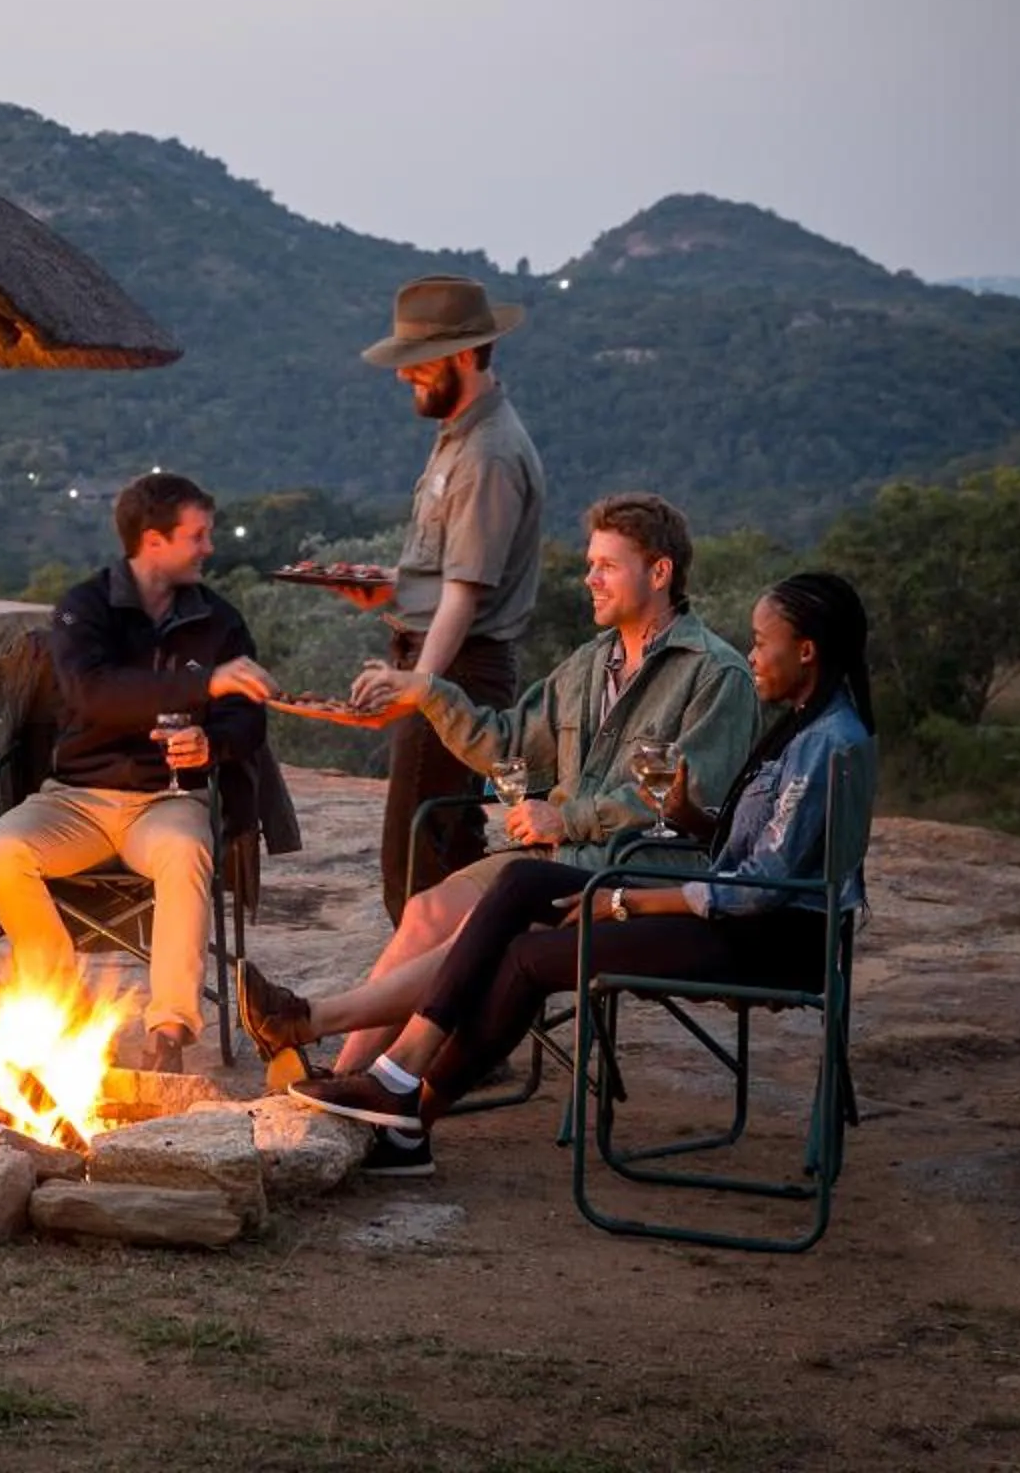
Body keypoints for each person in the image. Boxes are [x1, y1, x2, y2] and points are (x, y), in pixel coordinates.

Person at [240, 494, 760, 1168]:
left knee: (479, 931)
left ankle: (325, 1034)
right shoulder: (588, 664)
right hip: (553, 853)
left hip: (631, 868)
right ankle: (345, 1088)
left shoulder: (715, 675)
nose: (590, 579)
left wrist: (566, 816)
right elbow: (508, 745)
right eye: (590, 564)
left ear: (659, 572)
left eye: (607, 566)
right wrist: (427, 692)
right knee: (427, 911)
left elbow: (691, 799)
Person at [284, 572, 873, 1157]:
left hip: (764, 939)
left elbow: (758, 888)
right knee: (521, 879)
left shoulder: (828, 742)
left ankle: (407, 1120)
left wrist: (625, 900)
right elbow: (755, 847)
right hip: (729, 914)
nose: (753, 655)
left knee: (527, 956)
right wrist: (693, 817)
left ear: (806, 650)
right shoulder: (802, 726)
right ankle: (396, 1078)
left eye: (762, 642)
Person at [0, 472, 279, 1074]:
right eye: (197, 536)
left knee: (185, 852)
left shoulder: (219, 621)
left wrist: (211, 742)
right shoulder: (84, 610)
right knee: (0, 851)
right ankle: (61, 999)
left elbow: (249, 721)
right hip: (75, 799)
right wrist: (204, 684)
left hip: (167, 801)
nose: (210, 547)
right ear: (153, 541)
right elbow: (94, 695)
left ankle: (168, 1030)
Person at [332, 276, 549, 922]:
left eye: (418, 362)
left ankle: (422, 977)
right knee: (450, 845)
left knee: (415, 856)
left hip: (458, 669)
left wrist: (420, 685)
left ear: (465, 355)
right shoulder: (458, 432)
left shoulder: (488, 454)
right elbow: (449, 573)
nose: (404, 376)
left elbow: (466, 595)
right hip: (445, 660)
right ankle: (472, 971)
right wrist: (390, 593)